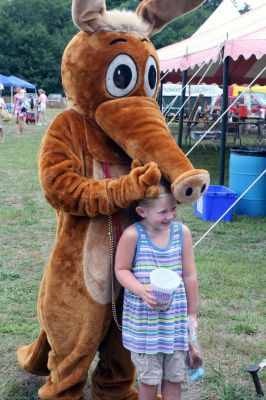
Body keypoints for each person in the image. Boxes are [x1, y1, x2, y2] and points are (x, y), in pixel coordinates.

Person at [115, 181, 200, 400]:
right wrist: (141, 290)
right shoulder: (133, 235)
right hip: (145, 326)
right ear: (142, 212)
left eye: (174, 208)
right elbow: (121, 270)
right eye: (163, 211)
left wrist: (191, 313)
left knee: (174, 378)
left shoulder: (183, 233)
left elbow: (190, 275)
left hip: (175, 322)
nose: (170, 216)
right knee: (149, 380)